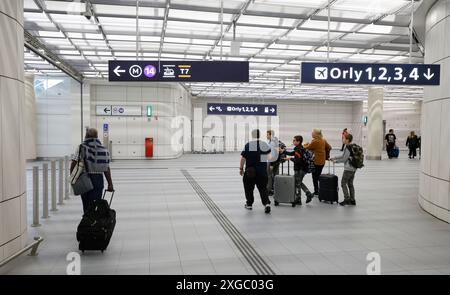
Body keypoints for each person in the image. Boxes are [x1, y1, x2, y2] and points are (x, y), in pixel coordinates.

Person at [70, 128, 114, 213]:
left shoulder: (82, 147)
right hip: (98, 180)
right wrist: (110, 184)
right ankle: (93, 223)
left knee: (86, 205)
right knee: (95, 205)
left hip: (84, 178)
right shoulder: (103, 149)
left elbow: (74, 163)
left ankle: (86, 222)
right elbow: (106, 168)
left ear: (86, 136)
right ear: (97, 137)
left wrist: (73, 178)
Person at [240, 129, 272, 214]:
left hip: (250, 172)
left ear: (252, 135)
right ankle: (266, 204)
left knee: (248, 188)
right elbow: (269, 158)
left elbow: (243, 158)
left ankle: (249, 204)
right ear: (259, 135)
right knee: (263, 188)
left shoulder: (248, 145)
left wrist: (241, 169)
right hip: (262, 172)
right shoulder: (264, 144)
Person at [282, 135, 314, 205]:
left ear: (298, 141)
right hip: (302, 168)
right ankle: (308, 194)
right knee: (298, 182)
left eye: (294, 140)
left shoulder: (298, 149)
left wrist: (290, 159)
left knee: (297, 183)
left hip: (300, 169)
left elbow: (298, 161)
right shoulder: (299, 148)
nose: (293, 141)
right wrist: (284, 152)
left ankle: (299, 199)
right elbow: (292, 153)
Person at [304, 129, 332, 198]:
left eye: (313, 132)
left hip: (316, 162)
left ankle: (316, 191)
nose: (312, 133)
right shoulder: (323, 140)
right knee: (318, 176)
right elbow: (329, 147)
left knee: (315, 177)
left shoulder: (316, 141)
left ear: (316, 134)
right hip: (322, 161)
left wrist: (304, 145)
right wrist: (325, 154)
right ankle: (321, 189)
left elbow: (307, 148)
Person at [330, 134, 357, 206]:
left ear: (347, 140)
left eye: (343, 138)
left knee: (343, 183)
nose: (342, 140)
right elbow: (343, 156)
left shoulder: (348, 147)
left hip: (348, 169)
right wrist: (334, 158)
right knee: (350, 184)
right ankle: (352, 200)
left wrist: (336, 162)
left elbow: (344, 159)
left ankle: (347, 199)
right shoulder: (352, 146)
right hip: (354, 168)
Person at [266, 130, 284, 196]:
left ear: (271, 135)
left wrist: (271, 164)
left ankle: (268, 190)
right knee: (275, 175)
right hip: (276, 161)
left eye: (267, 134)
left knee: (269, 176)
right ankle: (275, 189)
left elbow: (273, 154)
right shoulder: (274, 141)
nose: (266, 136)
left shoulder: (273, 143)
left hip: (272, 161)